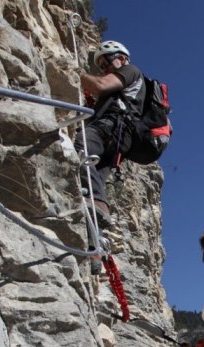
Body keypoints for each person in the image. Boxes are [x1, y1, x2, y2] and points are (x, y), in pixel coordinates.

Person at [75, 40, 145, 231]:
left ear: (121, 58)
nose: (104, 69)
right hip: (119, 137)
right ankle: (94, 241)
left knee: (82, 146)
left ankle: (98, 205)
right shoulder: (123, 89)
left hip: (112, 127)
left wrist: (76, 74)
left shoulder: (130, 70)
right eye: (101, 67)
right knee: (93, 174)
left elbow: (99, 85)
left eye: (107, 63)